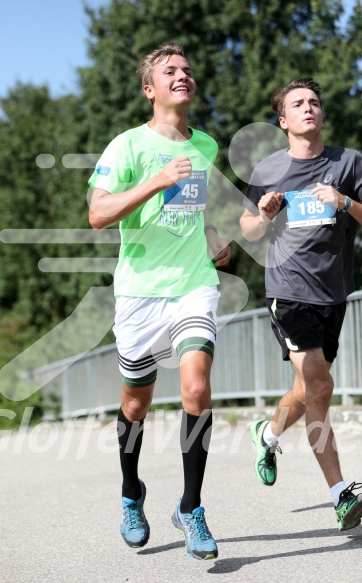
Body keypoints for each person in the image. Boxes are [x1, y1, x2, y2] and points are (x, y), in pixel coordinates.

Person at [88, 42, 230, 559]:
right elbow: (98, 214)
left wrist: (213, 233)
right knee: (135, 404)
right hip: (139, 293)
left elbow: (193, 207)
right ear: (150, 89)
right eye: (170, 71)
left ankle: (191, 506)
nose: (183, 75)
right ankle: (132, 493)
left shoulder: (207, 146)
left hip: (194, 283)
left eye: (188, 69)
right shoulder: (126, 146)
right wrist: (156, 181)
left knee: (196, 389)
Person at [240, 77, 362, 531]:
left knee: (309, 387)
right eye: (298, 104)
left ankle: (268, 435)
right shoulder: (268, 170)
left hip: (333, 294)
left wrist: (345, 200)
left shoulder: (349, 162)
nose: (308, 108)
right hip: (287, 291)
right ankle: (340, 494)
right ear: (283, 120)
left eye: (314, 102)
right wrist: (264, 216)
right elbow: (248, 229)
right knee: (321, 384)